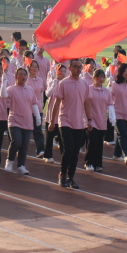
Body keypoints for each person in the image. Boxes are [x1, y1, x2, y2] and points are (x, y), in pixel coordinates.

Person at [49, 59, 92, 189]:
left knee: (75, 152)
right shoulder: (63, 83)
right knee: (69, 148)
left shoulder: (84, 84)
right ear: (70, 68)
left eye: (80, 67)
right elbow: (56, 103)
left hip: (79, 122)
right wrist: (52, 121)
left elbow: (87, 102)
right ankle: (63, 174)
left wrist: (89, 119)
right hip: (65, 121)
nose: (78, 69)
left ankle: (71, 177)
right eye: (75, 67)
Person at [1, 67, 41, 175]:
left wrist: (37, 117)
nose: (22, 76)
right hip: (14, 121)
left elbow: (34, 104)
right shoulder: (11, 89)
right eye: (20, 74)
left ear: (27, 77)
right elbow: (3, 95)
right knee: (16, 141)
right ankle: (10, 160)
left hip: (27, 121)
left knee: (24, 145)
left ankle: (21, 166)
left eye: (24, 74)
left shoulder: (30, 90)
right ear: (15, 76)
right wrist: (3, 82)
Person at [85, 69, 115, 172]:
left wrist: (112, 117)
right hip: (91, 119)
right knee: (92, 141)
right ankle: (89, 162)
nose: (101, 79)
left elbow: (110, 104)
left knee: (99, 143)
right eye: (99, 77)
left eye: (103, 77)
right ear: (94, 78)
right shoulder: (89, 89)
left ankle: (98, 163)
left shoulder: (106, 91)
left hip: (101, 120)